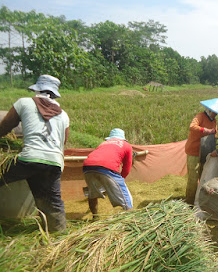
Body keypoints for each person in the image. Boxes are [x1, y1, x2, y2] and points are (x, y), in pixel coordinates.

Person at [0, 74, 70, 232]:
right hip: (54, 162)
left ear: (37, 89)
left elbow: (5, 127)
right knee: (52, 201)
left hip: (30, 158)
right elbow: (63, 141)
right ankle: (59, 236)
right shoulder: (63, 115)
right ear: (54, 93)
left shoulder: (24, 103)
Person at [83, 128, 134, 218]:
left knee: (92, 192)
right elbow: (126, 168)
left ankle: (95, 217)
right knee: (126, 199)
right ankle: (131, 219)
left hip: (87, 167)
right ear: (123, 138)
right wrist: (120, 182)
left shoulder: (103, 143)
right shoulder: (126, 145)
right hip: (107, 168)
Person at [184, 98, 218, 205]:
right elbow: (192, 127)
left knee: (204, 176)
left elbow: (214, 135)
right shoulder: (200, 116)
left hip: (205, 152)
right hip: (194, 151)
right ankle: (189, 201)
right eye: (214, 113)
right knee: (193, 178)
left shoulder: (214, 121)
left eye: (216, 113)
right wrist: (204, 130)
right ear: (209, 110)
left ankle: (200, 199)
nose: (215, 115)